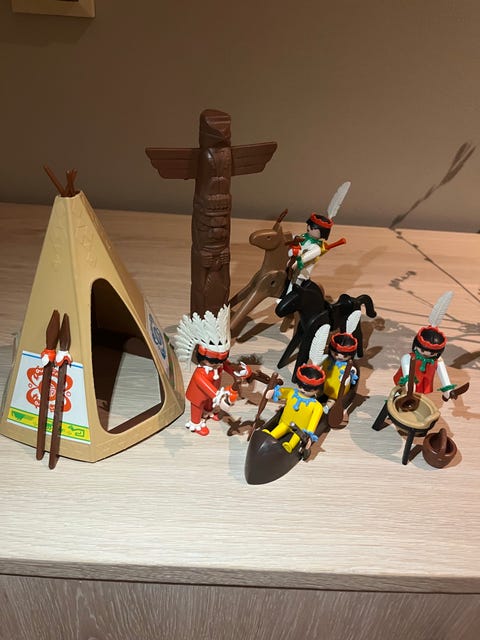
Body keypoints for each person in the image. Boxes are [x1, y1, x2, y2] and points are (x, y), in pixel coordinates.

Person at [263, 363, 325, 453]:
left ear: (318, 390)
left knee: (297, 436)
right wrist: (273, 392)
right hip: (285, 422)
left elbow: (313, 422)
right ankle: (271, 435)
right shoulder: (292, 392)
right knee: (281, 427)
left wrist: (309, 435)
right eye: (300, 386)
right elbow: (282, 392)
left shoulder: (317, 406)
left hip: (300, 429)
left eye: (308, 389)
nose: (303, 390)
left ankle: (290, 445)